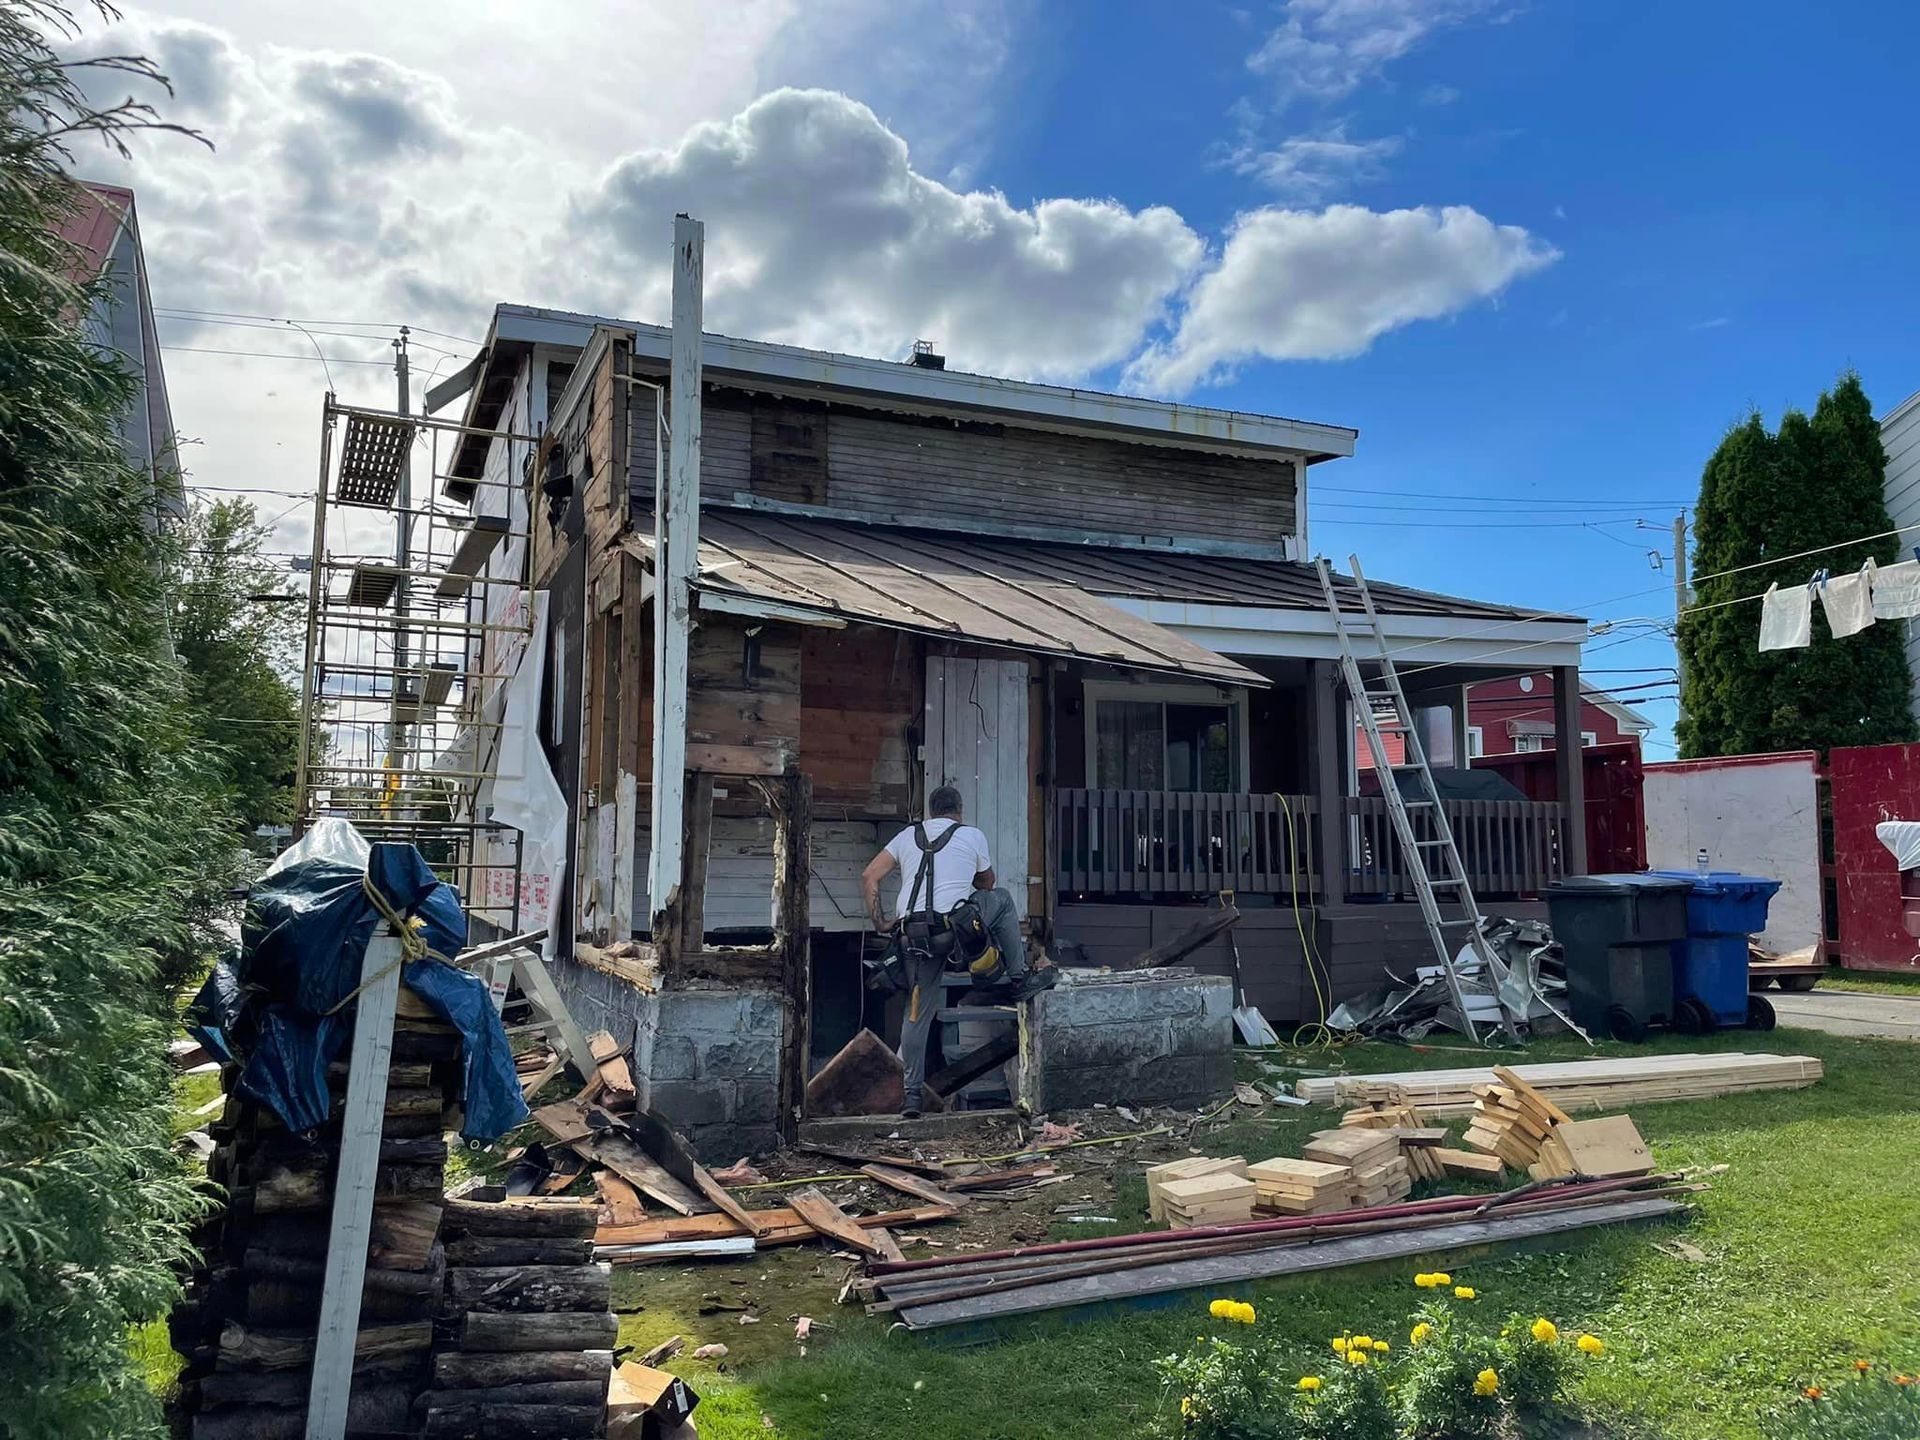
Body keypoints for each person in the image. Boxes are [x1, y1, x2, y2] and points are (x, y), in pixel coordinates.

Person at [861, 784, 1054, 1116]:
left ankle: (911, 1097)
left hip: (914, 937)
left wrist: (880, 922)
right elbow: (988, 884)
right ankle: (1019, 977)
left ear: (931, 812)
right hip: (955, 933)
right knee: (1003, 900)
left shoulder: (907, 836)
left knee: (916, 1012)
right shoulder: (971, 834)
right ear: (959, 812)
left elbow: (869, 876)